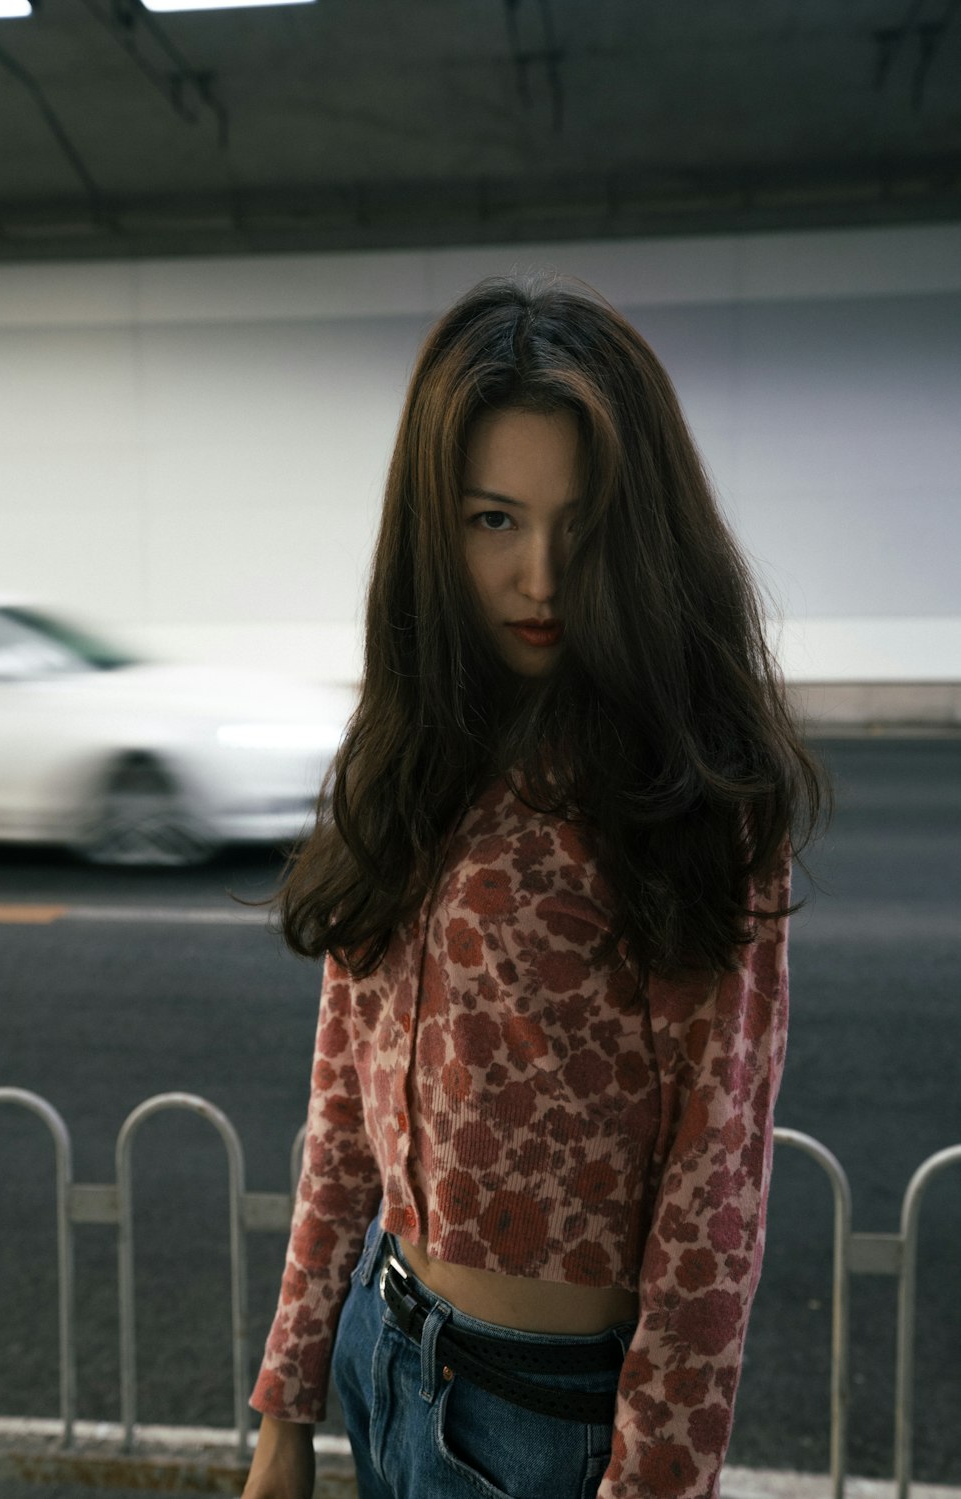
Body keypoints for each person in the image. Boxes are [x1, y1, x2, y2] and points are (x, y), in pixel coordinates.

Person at [241, 275, 827, 1499]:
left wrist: (653, 1484)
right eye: (494, 521)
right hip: (382, 1347)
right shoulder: (418, 750)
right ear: (432, 529)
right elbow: (345, 1097)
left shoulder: (686, 789)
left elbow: (713, 1195)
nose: (541, 575)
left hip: (544, 1422)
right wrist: (289, 1395)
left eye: (585, 523)